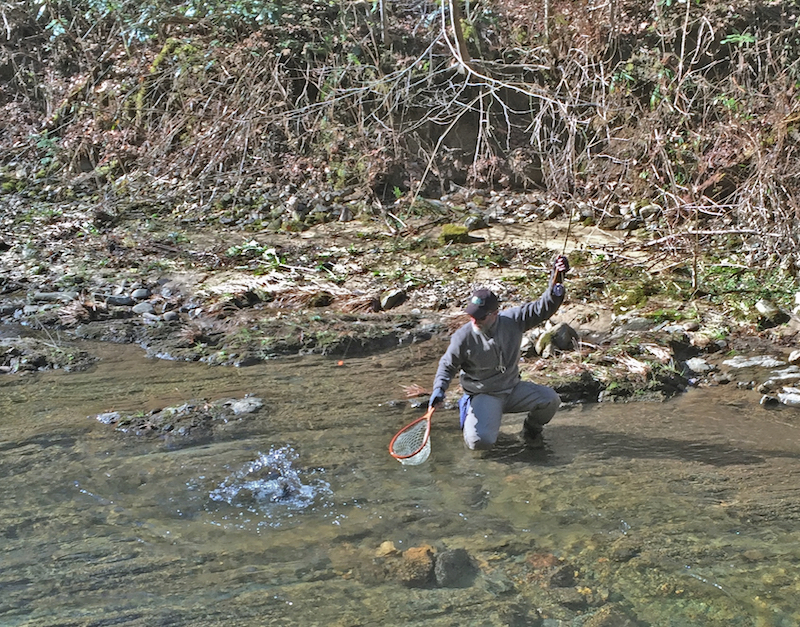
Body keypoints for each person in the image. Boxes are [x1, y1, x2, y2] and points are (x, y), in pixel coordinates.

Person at [428, 255, 569, 450]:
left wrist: (557, 277)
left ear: (495, 314)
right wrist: (439, 389)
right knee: (481, 443)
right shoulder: (463, 337)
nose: (475, 320)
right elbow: (447, 365)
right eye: (472, 315)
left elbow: (543, 307)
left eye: (480, 316)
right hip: (484, 394)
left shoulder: (513, 320)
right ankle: (470, 408)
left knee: (551, 400)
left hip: (512, 388)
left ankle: (531, 430)